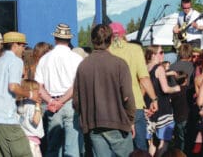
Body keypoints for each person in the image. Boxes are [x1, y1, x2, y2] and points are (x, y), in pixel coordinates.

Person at [73, 24, 135, 157]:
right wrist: (130, 120)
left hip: (94, 124)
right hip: (118, 123)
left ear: (92, 40)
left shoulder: (83, 66)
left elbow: (76, 100)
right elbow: (128, 96)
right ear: (111, 39)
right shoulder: (119, 64)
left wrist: (85, 117)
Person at [0, 31, 38, 157]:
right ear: (15, 45)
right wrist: (31, 94)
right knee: (24, 154)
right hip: (5, 118)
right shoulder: (16, 61)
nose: (23, 50)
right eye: (22, 46)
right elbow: (13, 86)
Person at [35, 23, 84, 156]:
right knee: (72, 148)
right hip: (70, 103)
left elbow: (38, 87)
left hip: (51, 104)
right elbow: (77, 86)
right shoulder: (77, 59)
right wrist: (62, 100)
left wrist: (52, 101)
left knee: (53, 147)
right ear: (69, 40)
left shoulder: (44, 59)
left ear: (55, 39)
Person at [109, 22, 159, 151]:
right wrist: (154, 99)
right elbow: (143, 77)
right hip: (134, 104)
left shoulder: (106, 51)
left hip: (112, 107)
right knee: (140, 147)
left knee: (117, 147)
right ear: (124, 34)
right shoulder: (135, 49)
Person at [145, 45, 181, 157]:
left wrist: (170, 73)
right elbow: (165, 89)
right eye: (161, 52)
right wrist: (176, 88)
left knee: (151, 143)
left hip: (148, 108)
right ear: (153, 55)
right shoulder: (159, 68)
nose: (163, 55)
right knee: (163, 143)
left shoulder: (145, 67)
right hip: (163, 109)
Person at [17, 79, 45, 157]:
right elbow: (35, 121)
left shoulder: (20, 104)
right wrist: (38, 106)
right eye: (36, 90)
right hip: (32, 142)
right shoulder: (32, 105)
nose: (39, 92)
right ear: (30, 92)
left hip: (22, 139)